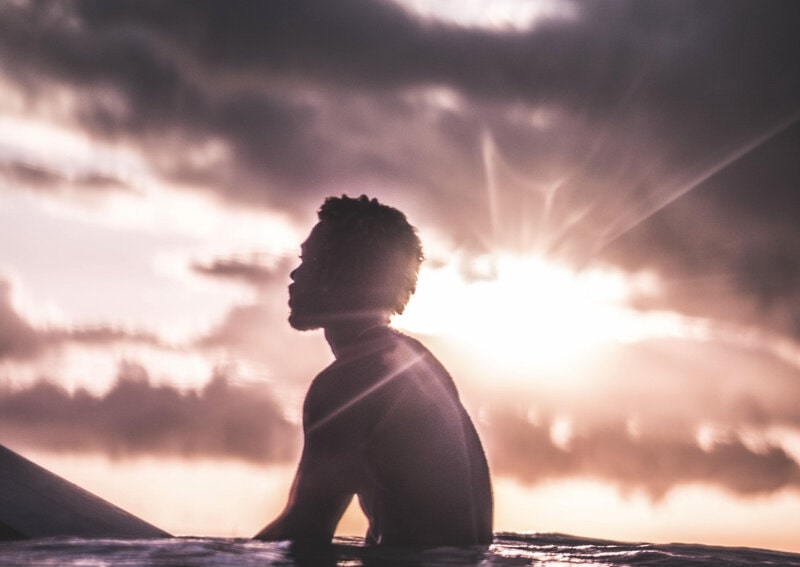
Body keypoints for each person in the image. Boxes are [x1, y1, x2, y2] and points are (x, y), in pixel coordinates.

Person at [254, 195, 493, 547]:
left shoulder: (350, 383)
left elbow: (302, 536)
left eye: (308, 260)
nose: (295, 273)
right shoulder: (413, 361)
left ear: (342, 273)